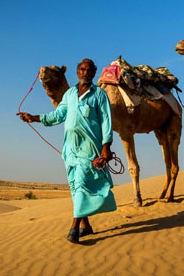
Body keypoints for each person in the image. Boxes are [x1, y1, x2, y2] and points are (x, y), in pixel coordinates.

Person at [17, 58, 117, 244]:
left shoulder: (99, 95)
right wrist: (34, 118)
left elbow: (106, 121)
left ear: (93, 73)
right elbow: (57, 115)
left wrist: (106, 147)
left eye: (88, 70)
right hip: (70, 149)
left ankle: (73, 228)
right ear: (77, 72)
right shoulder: (70, 94)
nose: (85, 73)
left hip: (89, 148)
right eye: (82, 69)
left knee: (81, 182)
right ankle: (86, 226)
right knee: (75, 186)